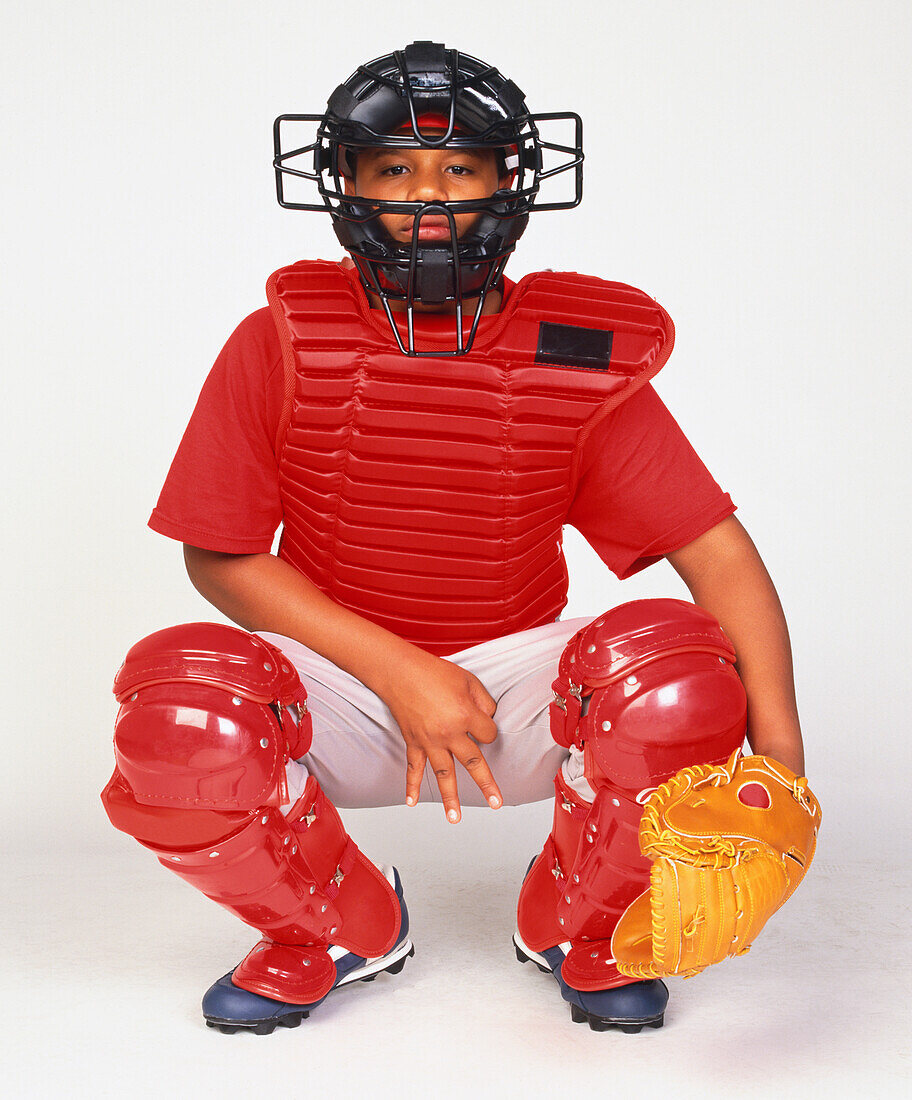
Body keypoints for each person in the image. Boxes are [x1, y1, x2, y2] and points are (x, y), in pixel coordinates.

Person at [102, 41, 809, 1035]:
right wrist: (399, 671)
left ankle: (581, 917)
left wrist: (778, 758)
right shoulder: (278, 338)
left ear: (510, 182)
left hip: (507, 696)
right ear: (343, 184)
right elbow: (217, 553)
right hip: (338, 684)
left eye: (460, 168)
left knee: (679, 677)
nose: (429, 198)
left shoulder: (574, 352)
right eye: (394, 167)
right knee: (179, 710)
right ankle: (330, 926)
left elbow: (718, 552)